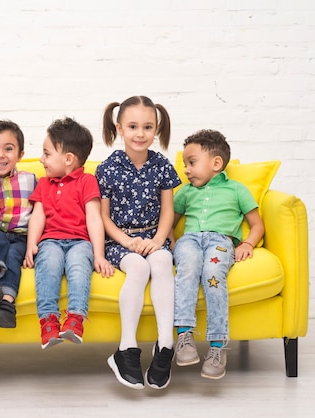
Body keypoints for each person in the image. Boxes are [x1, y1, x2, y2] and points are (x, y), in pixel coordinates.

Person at [96, 96, 181, 390]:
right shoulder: (108, 167)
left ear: (156, 129)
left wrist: (158, 240)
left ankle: (166, 344)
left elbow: (168, 210)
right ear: (120, 128)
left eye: (147, 127)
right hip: (121, 240)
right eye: (133, 126)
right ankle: (126, 348)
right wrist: (127, 242)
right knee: (138, 269)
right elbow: (103, 217)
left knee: (162, 262)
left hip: (154, 236)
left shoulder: (162, 166)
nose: (140, 133)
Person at [172, 129, 265, 380]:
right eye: (184, 164)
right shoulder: (186, 191)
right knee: (188, 267)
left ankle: (217, 347)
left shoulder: (236, 189)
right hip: (189, 240)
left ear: (216, 163)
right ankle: (184, 336)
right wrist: (170, 243)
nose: (186, 170)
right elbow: (169, 222)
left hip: (221, 241)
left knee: (213, 274)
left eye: (191, 163)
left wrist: (247, 243)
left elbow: (257, 225)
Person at [23, 117, 115, 349]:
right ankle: (48, 321)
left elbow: (94, 218)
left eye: (46, 154)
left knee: (77, 267)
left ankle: (75, 319)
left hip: (80, 242)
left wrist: (99, 254)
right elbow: (38, 215)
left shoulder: (87, 181)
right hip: (50, 240)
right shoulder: (44, 183)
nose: (41, 159)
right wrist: (31, 244)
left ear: (68, 159)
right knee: (49, 265)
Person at [0, 120, 37, 328]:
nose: (0, 155)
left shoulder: (31, 180)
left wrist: (34, 243)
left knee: (13, 257)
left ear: (20, 154)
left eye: (8, 149)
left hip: (21, 235)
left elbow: (40, 212)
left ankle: (6, 304)